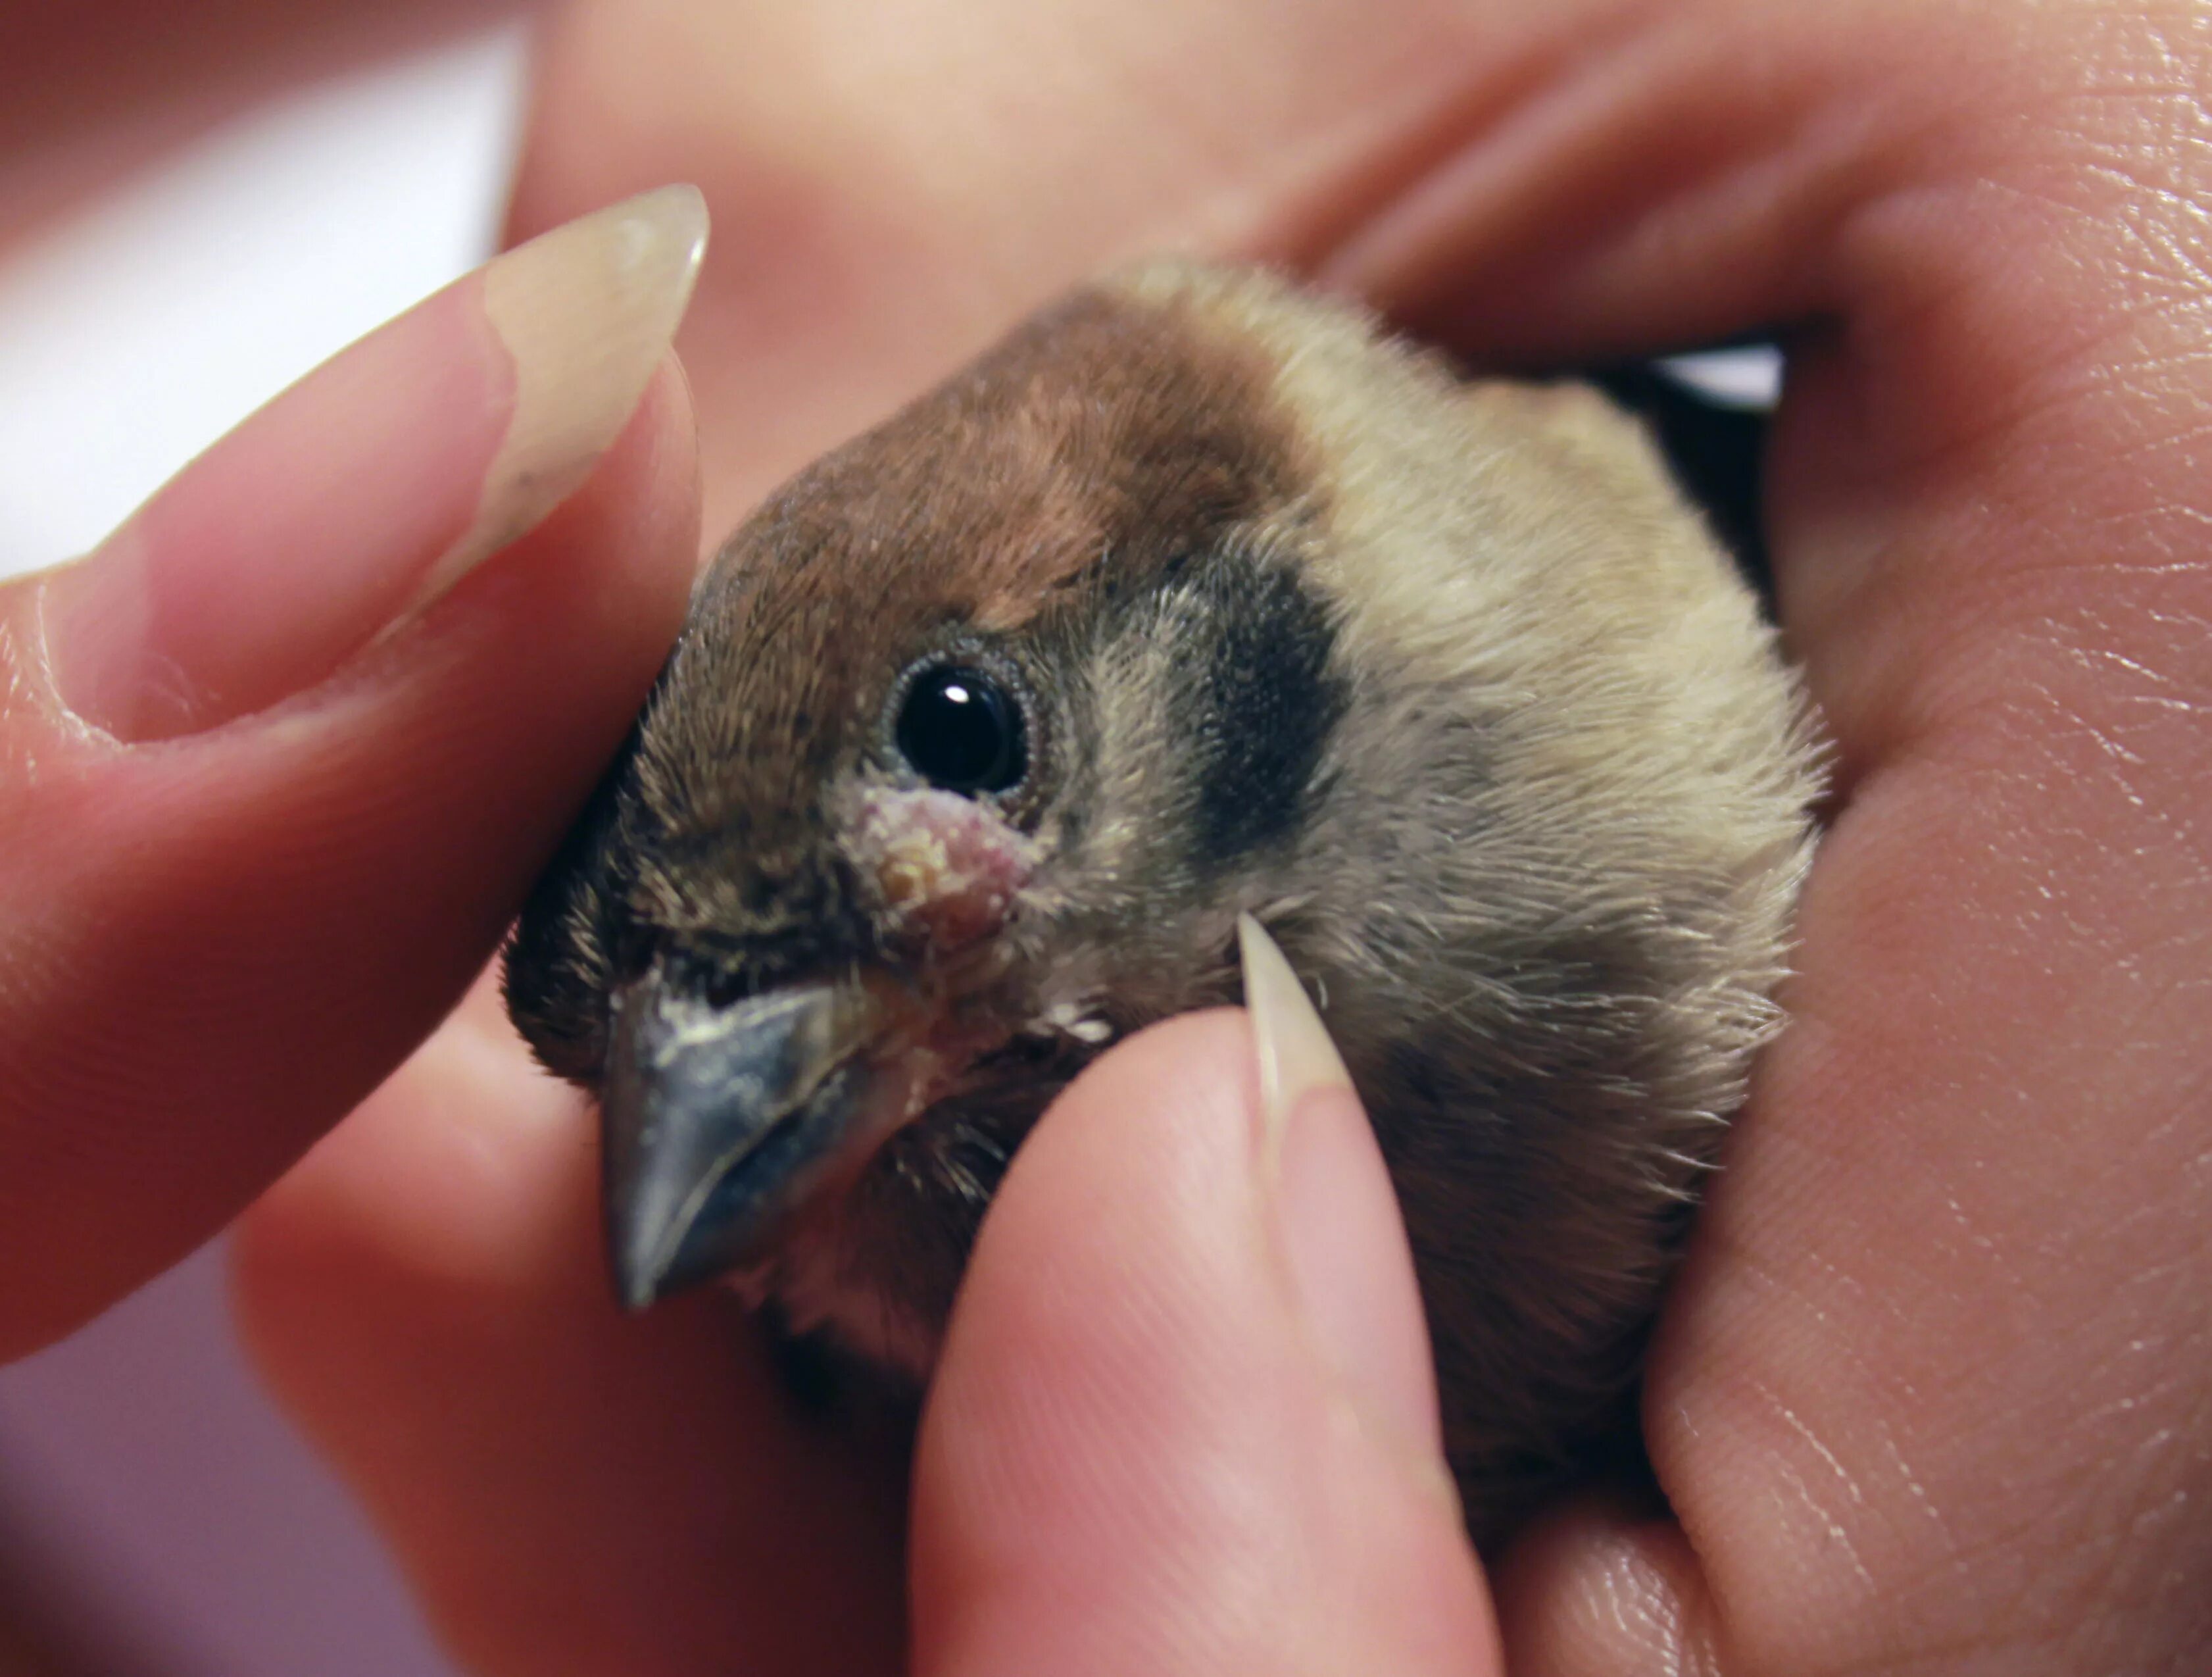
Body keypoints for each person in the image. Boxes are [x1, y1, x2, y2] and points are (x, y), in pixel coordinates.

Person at [4, 0, 2207, 1670]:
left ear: (1247, 539)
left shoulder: (1680, 512)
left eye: (963, 738)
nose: (726, 1136)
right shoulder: (834, 1327)